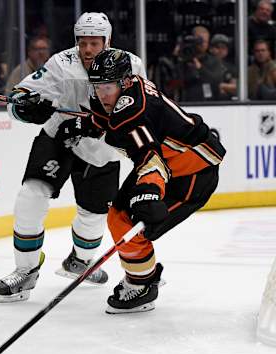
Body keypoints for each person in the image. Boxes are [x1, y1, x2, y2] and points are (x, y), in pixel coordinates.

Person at [0, 12, 147, 303]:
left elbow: (140, 109)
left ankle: (81, 261)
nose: (87, 50)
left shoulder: (130, 65)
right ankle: (25, 271)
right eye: (83, 42)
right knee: (30, 195)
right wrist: (25, 107)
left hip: (101, 149)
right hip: (58, 138)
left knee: (94, 215)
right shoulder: (61, 63)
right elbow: (18, 96)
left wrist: (99, 124)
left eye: (94, 43)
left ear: (107, 41)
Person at [76, 49, 225, 313]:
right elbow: (111, 119)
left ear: (124, 82)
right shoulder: (125, 91)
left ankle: (142, 285)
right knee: (118, 218)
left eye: (107, 86)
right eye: (97, 86)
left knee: (135, 226)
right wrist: (89, 122)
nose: (102, 94)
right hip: (167, 165)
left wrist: (148, 192)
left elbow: (150, 158)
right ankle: (142, 276)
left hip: (192, 173)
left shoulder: (132, 111)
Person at [177, 25, 227, 101]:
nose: (203, 44)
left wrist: (200, 68)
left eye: (206, 41)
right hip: (185, 102)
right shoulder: (182, 58)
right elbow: (173, 82)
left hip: (207, 103)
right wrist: (176, 56)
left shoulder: (214, 61)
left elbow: (216, 81)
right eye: (200, 40)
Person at [209, 33, 237, 100]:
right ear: (211, 49)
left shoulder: (231, 67)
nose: (220, 50)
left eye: (224, 48)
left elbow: (235, 88)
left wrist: (221, 86)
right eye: (218, 47)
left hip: (226, 102)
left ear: (227, 50)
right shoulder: (205, 64)